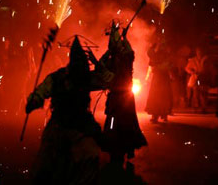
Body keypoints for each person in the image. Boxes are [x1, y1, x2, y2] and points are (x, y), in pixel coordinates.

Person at [26, 35, 111, 185]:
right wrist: (33, 101)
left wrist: (96, 62)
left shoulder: (85, 77)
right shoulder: (58, 77)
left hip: (81, 126)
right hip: (60, 125)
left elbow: (108, 80)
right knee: (46, 165)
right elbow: (41, 92)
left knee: (91, 156)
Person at [99, 22, 147, 166]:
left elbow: (101, 65)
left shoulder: (124, 58)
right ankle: (120, 148)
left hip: (122, 98)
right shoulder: (118, 58)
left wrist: (123, 39)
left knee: (126, 123)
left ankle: (127, 147)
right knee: (117, 123)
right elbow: (101, 67)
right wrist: (123, 39)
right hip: (118, 97)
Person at [145, 39, 173, 123]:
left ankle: (161, 114)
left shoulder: (165, 55)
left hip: (162, 77)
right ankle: (157, 115)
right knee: (157, 95)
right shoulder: (160, 55)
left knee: (161, 95)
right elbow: (151, 60)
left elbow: (169, 65)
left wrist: (152, 47)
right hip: (159, 77)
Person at [185, 47, 209, 112]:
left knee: (203, 92)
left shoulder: (206, 59)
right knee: (196, 92)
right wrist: (192, 72)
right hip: (196, 78)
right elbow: (187, 68)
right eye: (198, 52)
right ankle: (196, 106)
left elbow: (209, 68)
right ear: (196, 52)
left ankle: (204, 107)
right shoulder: (193, 60)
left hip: (203, 78)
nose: (199, 53)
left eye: (200, 52)